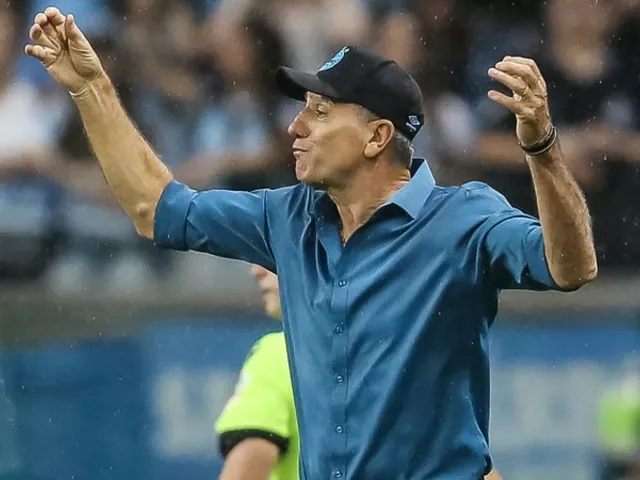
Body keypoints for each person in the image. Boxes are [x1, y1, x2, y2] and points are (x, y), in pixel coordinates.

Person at [25, 7, 597, 479]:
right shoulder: (288, 215)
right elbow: (155, 208)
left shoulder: (464, 218)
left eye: (319, 112)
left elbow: (571, 267)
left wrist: (542, 148)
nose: (296, 127)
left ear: (377, 137)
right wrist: (91, 89)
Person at [218, 264, 503, 480]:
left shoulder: (282, 352)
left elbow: (248, 462)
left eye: (271, 256)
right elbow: (473, 468)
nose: (256, 270)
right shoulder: (405, 356)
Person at [214, 266, 299, 480]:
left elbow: (246, 467)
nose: (256, 270)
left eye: (277, 254)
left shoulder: (283, 354)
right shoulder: (378, 355)